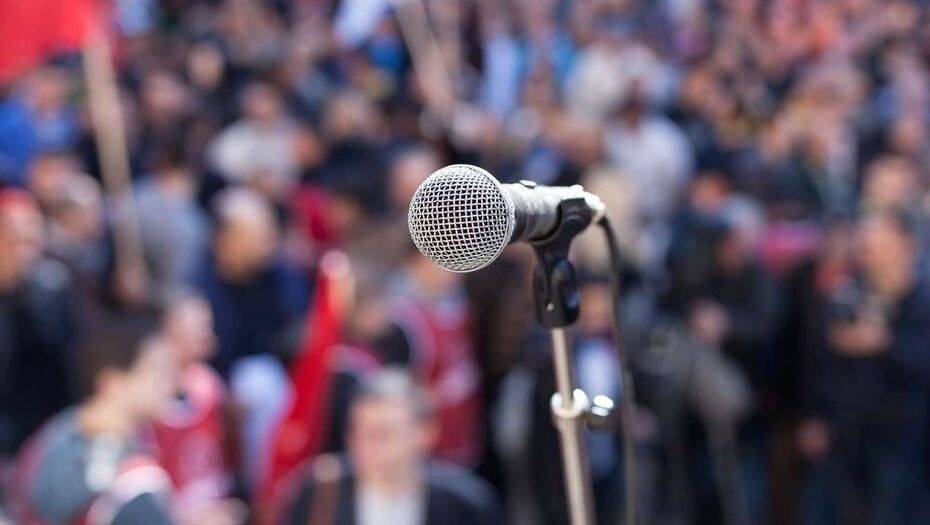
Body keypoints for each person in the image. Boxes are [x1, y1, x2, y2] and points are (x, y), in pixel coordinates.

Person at [800, 210, 930, 525]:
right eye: (868, 242)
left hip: (903, 435)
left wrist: (884, 343)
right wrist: (816, 415)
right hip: (847, 432)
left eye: (881, 242)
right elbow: (822, 361)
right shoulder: (848, 295)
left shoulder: (921, 302)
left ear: (907, 247)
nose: (871, 249)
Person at [11, 314, 176, 525]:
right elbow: (46, 511)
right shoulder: (65, 442)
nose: (169, 384)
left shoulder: (140, 437)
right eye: (156, 371)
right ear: (113, 382)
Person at [282, 368, 498, 525]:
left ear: (425, 434)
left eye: (383, 433)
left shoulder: (465, 504)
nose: (367, 444)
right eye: (359, 431)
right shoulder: (320, 493)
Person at [0, 189, 75, 459]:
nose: (24, 250)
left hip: (44, 435)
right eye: (13, 239)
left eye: (31, 240)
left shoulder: (51, 289)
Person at [150, 292, 238, 512]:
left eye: (207, 326)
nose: (207, 334)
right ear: (170, 329)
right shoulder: (149, 393)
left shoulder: (209, 383)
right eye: (199, 327)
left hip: (211, 497)